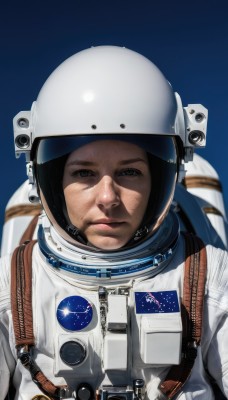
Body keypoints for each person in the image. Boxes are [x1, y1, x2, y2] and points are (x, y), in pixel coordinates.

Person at [0, 45, 228, 400]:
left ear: (163, 178)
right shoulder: (10, 287)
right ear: (49, 180)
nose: (108, 198)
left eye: (130, 172)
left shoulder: (212, 278)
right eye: (84, 173)